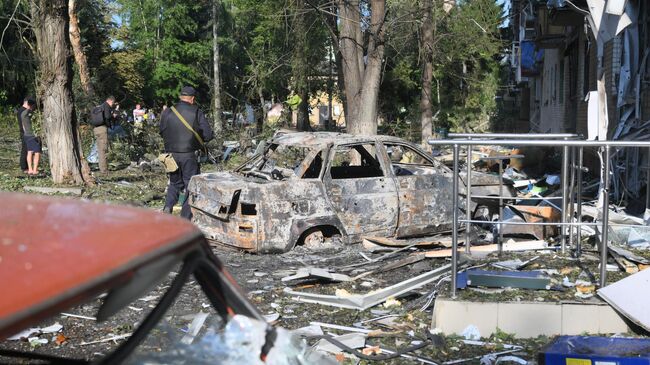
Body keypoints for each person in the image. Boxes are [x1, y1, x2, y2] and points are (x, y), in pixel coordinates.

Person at [160, 86, 214, 219]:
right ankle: (185, 217)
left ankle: (168, 207)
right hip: (189, 154)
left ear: (180, 97)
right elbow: (208, 135)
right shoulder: (196, 111)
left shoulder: (168, 111)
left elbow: (161, 131)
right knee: (191, 185)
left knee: (174, 183)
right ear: (193, 99)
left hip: (170, 155)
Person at [94, 96, 116, 174]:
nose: (112, 105)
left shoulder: (100, 106)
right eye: (112, 103)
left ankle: (101, 168)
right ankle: (104, 170)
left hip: (96, 129)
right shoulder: (106, 106)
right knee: (104, 149)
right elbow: (107, 116)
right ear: (110, 101)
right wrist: (113, 116)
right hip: (102, 129)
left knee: (100, 149)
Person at [19, 98, 40, 175]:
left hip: (26, 135)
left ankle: (30, 170)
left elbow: (24, 127)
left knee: (29, 152)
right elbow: (31, 110)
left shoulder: (22, 114)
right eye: (33, 106)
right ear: (30, 105)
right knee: (37, 152)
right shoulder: (27, 112)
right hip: (32, 135)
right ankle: (34, 170)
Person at [16, 97, 35, 173]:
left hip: (26, 132)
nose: (31, 107)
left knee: (28, 149)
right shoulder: (22, 111)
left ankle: (27, 167)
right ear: (26, 102)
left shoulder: (22, 110)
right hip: (25, 133)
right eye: (30, 105)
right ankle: (24, 167)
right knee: (25, 150)